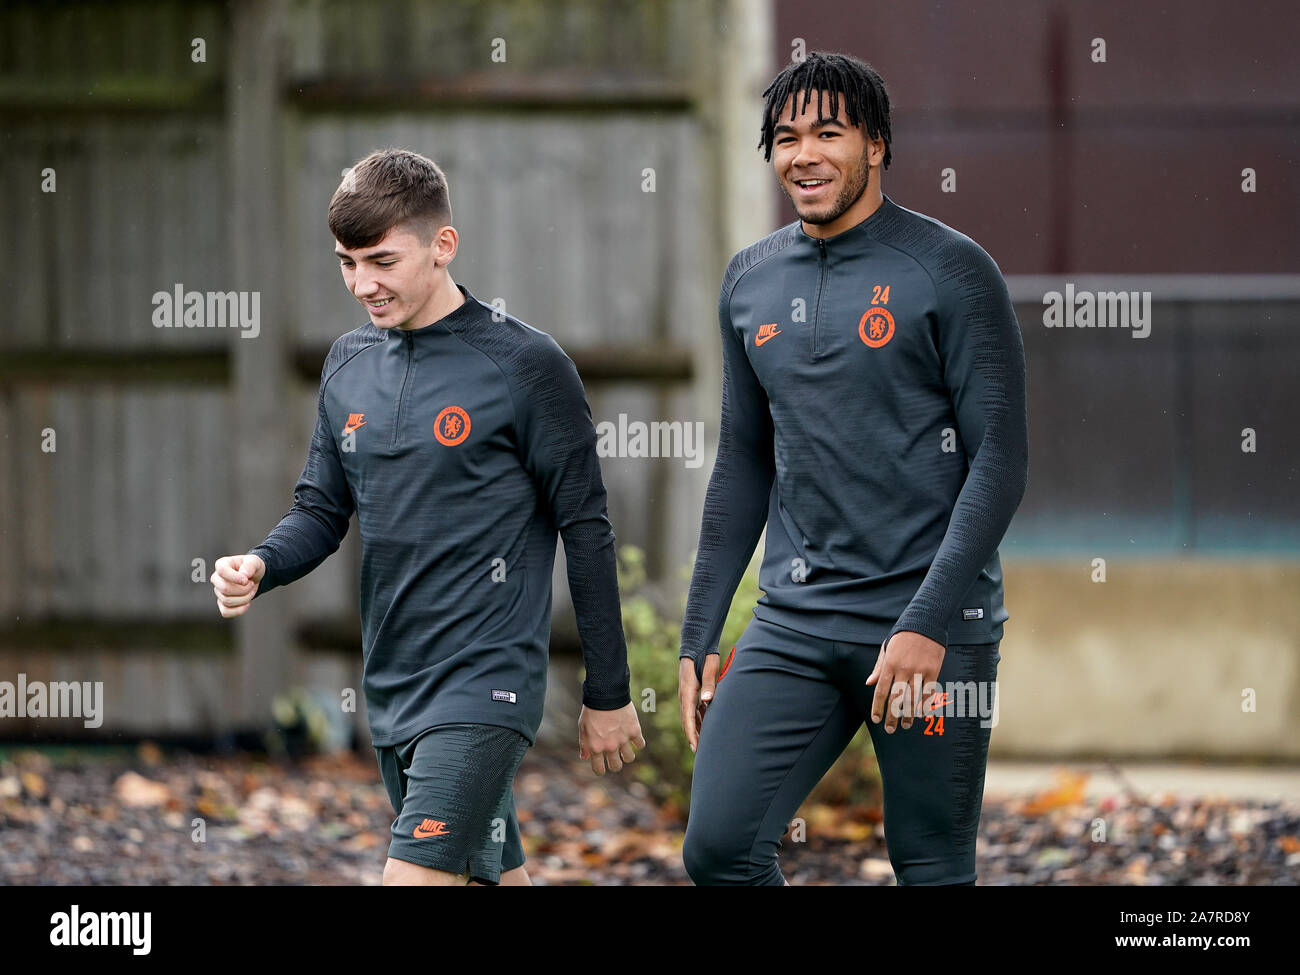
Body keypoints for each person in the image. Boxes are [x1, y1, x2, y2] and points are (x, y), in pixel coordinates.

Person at [210, 148, 644, 886]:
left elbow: (587, 529)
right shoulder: (346, 365)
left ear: (443, 246)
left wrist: (609, 691)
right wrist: (262, 562)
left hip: (486, 685)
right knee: (493, 877)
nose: (363, 284)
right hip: (395, 683)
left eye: (382, 260)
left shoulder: (527, 366)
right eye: (347, 262)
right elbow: (320, 508)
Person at [678, 52, 1028, 886]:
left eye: (828, 132)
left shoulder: (951, 270)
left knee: (931, 865)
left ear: (876, 143)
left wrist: (927, 622)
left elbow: (1001, 458)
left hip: (930, 624)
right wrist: (700, 630)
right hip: (796, 622)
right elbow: (743, 465)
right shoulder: (750, 281)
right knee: (720, 849)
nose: (804, 154)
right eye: (786, 137)